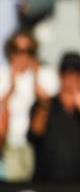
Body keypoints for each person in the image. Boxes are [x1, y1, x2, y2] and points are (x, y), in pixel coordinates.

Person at [28, 52, 80, 181]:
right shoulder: (44, 105)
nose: (71, 77)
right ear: (59, 75)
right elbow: (35, 133)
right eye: (65, 72)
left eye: (76, 72)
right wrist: (43, 105)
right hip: (48, 182)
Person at [0, 31, 58, 181]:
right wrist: (10, 89)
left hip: (38, 146)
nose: (22, 55)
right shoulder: (2, 74)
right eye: (17, 50)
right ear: (9, 52)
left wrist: (36, 77)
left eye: (28, 51)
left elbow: (52, 106)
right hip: (8, 146)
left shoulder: (45, 74)